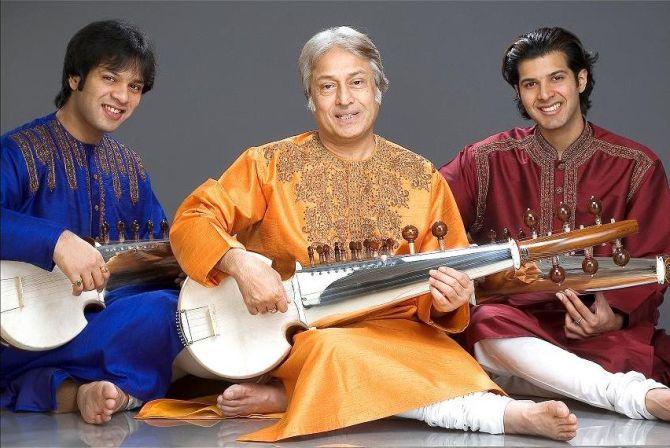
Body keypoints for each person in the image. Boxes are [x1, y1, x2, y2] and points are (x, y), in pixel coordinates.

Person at [164, 26, 578, 442]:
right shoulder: (268, 165)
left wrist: (450, 301)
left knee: (441, 354)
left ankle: (293, 395)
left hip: (399, 334)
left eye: (357, 83)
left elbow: (450, 285)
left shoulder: (421, 177)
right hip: (305, 334)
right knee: (337, 352)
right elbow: (193, 218)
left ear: (378, 90)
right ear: (311, 98)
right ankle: (503, 416)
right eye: (328, 86)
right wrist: (240, 262)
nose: (345, 100)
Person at [440, 27, 670, 420]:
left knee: (629, 352)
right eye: (530, 84)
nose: (545, 95)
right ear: (519, 93)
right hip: (511, 326)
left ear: (580, 79)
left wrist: (611, 315)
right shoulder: (485, 160)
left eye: (556, 78)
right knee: (484, 324)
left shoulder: (635, 166)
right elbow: (428, 210)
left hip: (599, 333)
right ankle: (629, 396)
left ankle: (529, 383)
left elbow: (655, 258)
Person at [0, 20, 183, 425]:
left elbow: (163, 245)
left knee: (169, 310)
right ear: (75, 77)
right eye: (110, 77)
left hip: (99, 322)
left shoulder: (128, 166)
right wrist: (57, 241)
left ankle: (72, 391)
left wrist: (222, 254)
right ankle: (97, 388)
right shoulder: (18, 151)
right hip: (21, 327)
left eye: (135, 87)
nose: (122, 96)